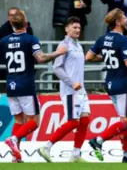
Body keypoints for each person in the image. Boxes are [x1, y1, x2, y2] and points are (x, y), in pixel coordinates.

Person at [0, 10, 65, 162]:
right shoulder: (30, 39)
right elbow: (41, 58)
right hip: (26, 85)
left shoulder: (4, 41)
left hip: (11, 85)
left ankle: (15, 156)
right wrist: (58, 53)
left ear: (11, 24)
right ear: (25, 23)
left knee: (18, 121)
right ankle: (14, 139)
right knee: (34, 122)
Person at [86, 9, 127, 163]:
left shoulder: (102, 39)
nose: (126, 19)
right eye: (124, 17)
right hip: (123, 84)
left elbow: (88, 57)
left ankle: (126, 155)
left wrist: (106, 57)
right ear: (118, 22)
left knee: (123, 122)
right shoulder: (123, 40)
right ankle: (99, 140)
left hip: (110, 83)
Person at [38, 17, 91, 163]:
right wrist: (72, 82)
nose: (77, 30)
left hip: (81, 90)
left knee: (85, 120)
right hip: (70, 90)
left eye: (79, 28)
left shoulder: (78, 46)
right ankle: (47, 147)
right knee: (73, 122)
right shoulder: (64, 45)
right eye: (74, 27)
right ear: (66, 29)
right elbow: (56, 68)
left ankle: (76, 154)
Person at [0, 7, 35, 82]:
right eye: (11, 15)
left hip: (24, 63)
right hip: (8, 63)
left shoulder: (28, 29)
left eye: (15, 15)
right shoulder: (3, 30)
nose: (13, 17)